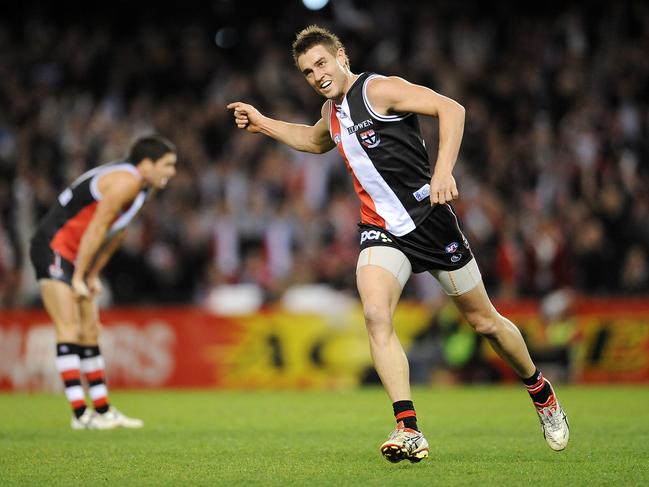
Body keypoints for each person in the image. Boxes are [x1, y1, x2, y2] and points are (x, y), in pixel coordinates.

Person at [227, 25, 569, 462]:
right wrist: (264, 124)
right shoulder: (330, 114)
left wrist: (443, 171)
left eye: (321, 64)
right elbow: (314, 141)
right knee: (374, 313)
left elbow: (452, 109)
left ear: (341, 56)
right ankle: (408, 427)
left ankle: (540, 390)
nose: (316, 75)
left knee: (485, 323)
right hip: (381, 230)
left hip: (431, 222)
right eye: (308, 71)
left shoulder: (380, 90)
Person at [29, 134, 177, 430]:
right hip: (54, 248)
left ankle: (103, 410)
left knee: (90, 331)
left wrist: (93, 274)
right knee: (68, 326)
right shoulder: (125, 181)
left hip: (76, 256)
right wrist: (81, 276)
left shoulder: (142, 189)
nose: (171, 172)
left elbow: (116, 232)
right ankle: (81, 415)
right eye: (167, 165)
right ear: (146, 163)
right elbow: (97, 228)